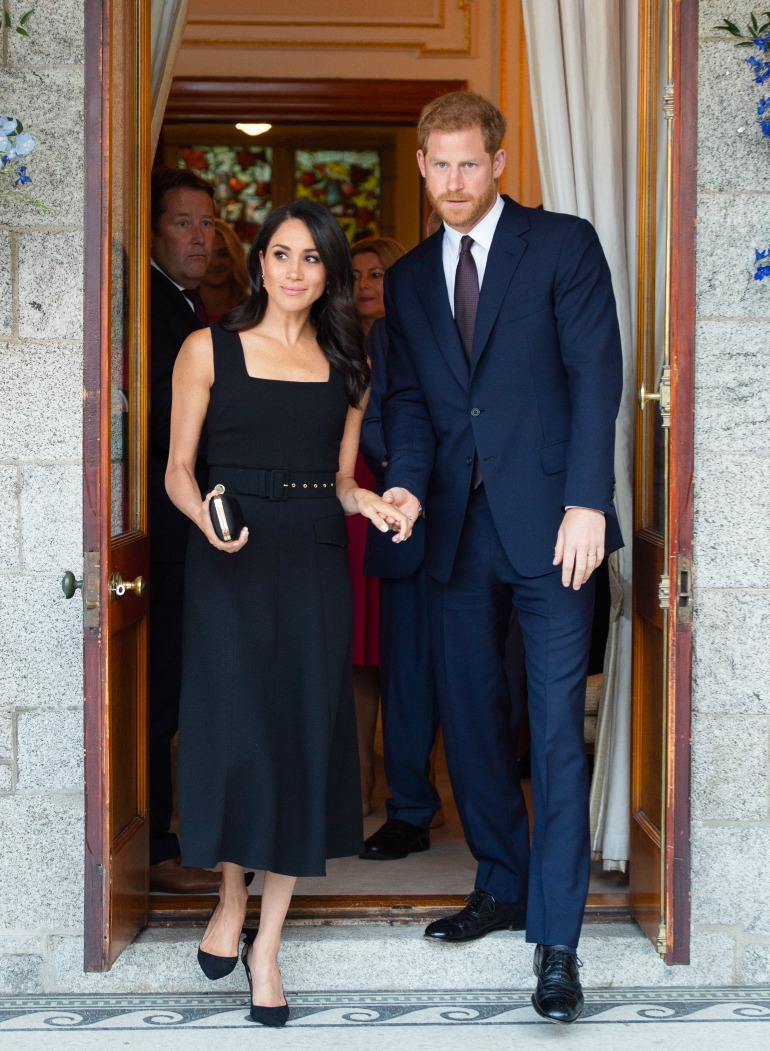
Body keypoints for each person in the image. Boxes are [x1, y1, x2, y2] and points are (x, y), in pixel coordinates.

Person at [381, 92, 623, 1024]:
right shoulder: (405, 282)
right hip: (450, 525)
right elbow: (407, 404)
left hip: (553, 524)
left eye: (467, 164)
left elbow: (595, 373)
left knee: (555, 728)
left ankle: (556, 941)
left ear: (500, 162)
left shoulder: (562, 246)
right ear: (420, 166)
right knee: (471, 721)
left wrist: (588, 503)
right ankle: (502, 880)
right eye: (437, 165)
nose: (452, 182)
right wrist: (403, 483)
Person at [165, 200, 412, 1027]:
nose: (295, 271)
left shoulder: (349, 363)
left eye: (311, 258)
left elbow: (342, 480)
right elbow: (176, 469)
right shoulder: (207, 348)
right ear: (261, 260)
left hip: (312, 556)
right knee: (238, 738)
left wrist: (370, 503)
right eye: (281, 254)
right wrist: (206, 518)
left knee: (300, 737)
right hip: (229, 553)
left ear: (329, 271)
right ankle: (230, 897)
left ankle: (266, 943)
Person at [354, 234, 444, 860]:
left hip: (486, 522)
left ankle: (489, 807)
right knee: (406, 675)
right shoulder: (387, 338)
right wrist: (416, 474)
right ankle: (410, 811)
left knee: (486, 680)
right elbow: (376, 421)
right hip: (404, 515)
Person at [148, 166, 221, 894]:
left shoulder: (187, 305)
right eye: (182, 223)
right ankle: (156, 849)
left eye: (206, 224)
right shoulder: (151, 309)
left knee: (173, 690)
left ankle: (166, 839)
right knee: (159, 693)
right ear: (153, 230)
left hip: (183, 532)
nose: (199, 237)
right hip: (162, 535)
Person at [348, 237, 407, 814]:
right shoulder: (334, 340)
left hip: (396, 493)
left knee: (399, 649)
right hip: (348, 502)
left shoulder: (412, 339)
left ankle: (410, 788)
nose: (366, 284)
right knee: (356, 648)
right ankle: (360, 771)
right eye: (357, 274)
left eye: (379, 273)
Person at [198, 217, 250, 322]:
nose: (215, 263)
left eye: (223, 254)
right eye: (206, 254)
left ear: (236, 256)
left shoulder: (255, 310)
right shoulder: (177, 308)